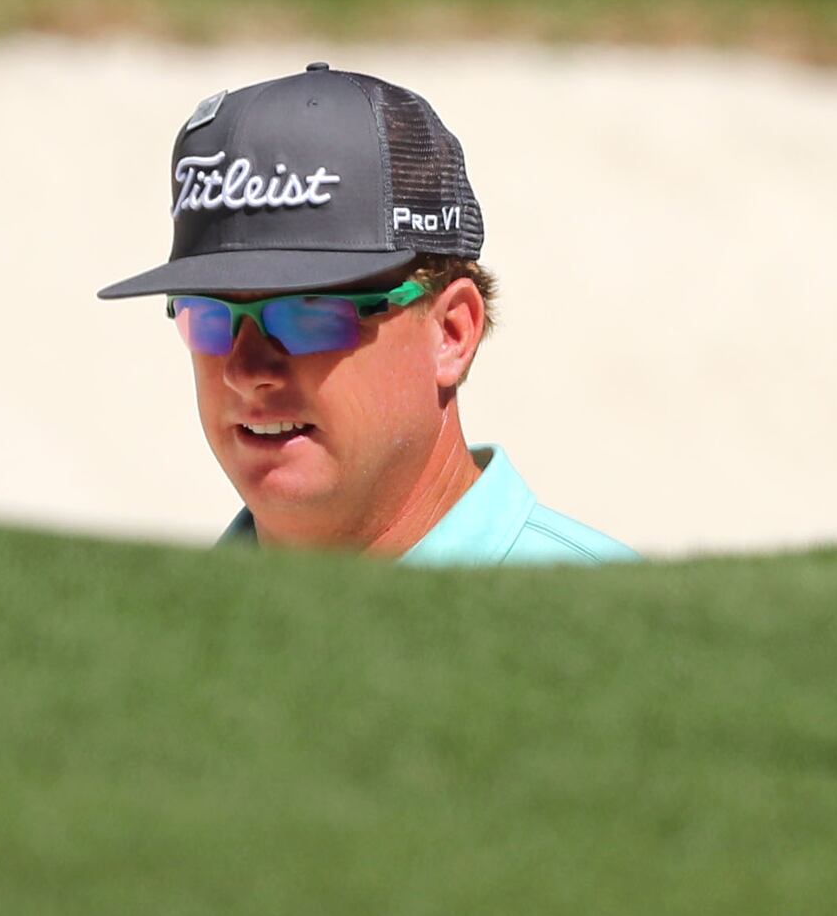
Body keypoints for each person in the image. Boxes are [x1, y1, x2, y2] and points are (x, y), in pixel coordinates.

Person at [97, 62, 633, 564]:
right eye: (207, 320)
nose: (244, 371)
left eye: (307, 315)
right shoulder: (151, 635)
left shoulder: (623, 628)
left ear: (451, 333)